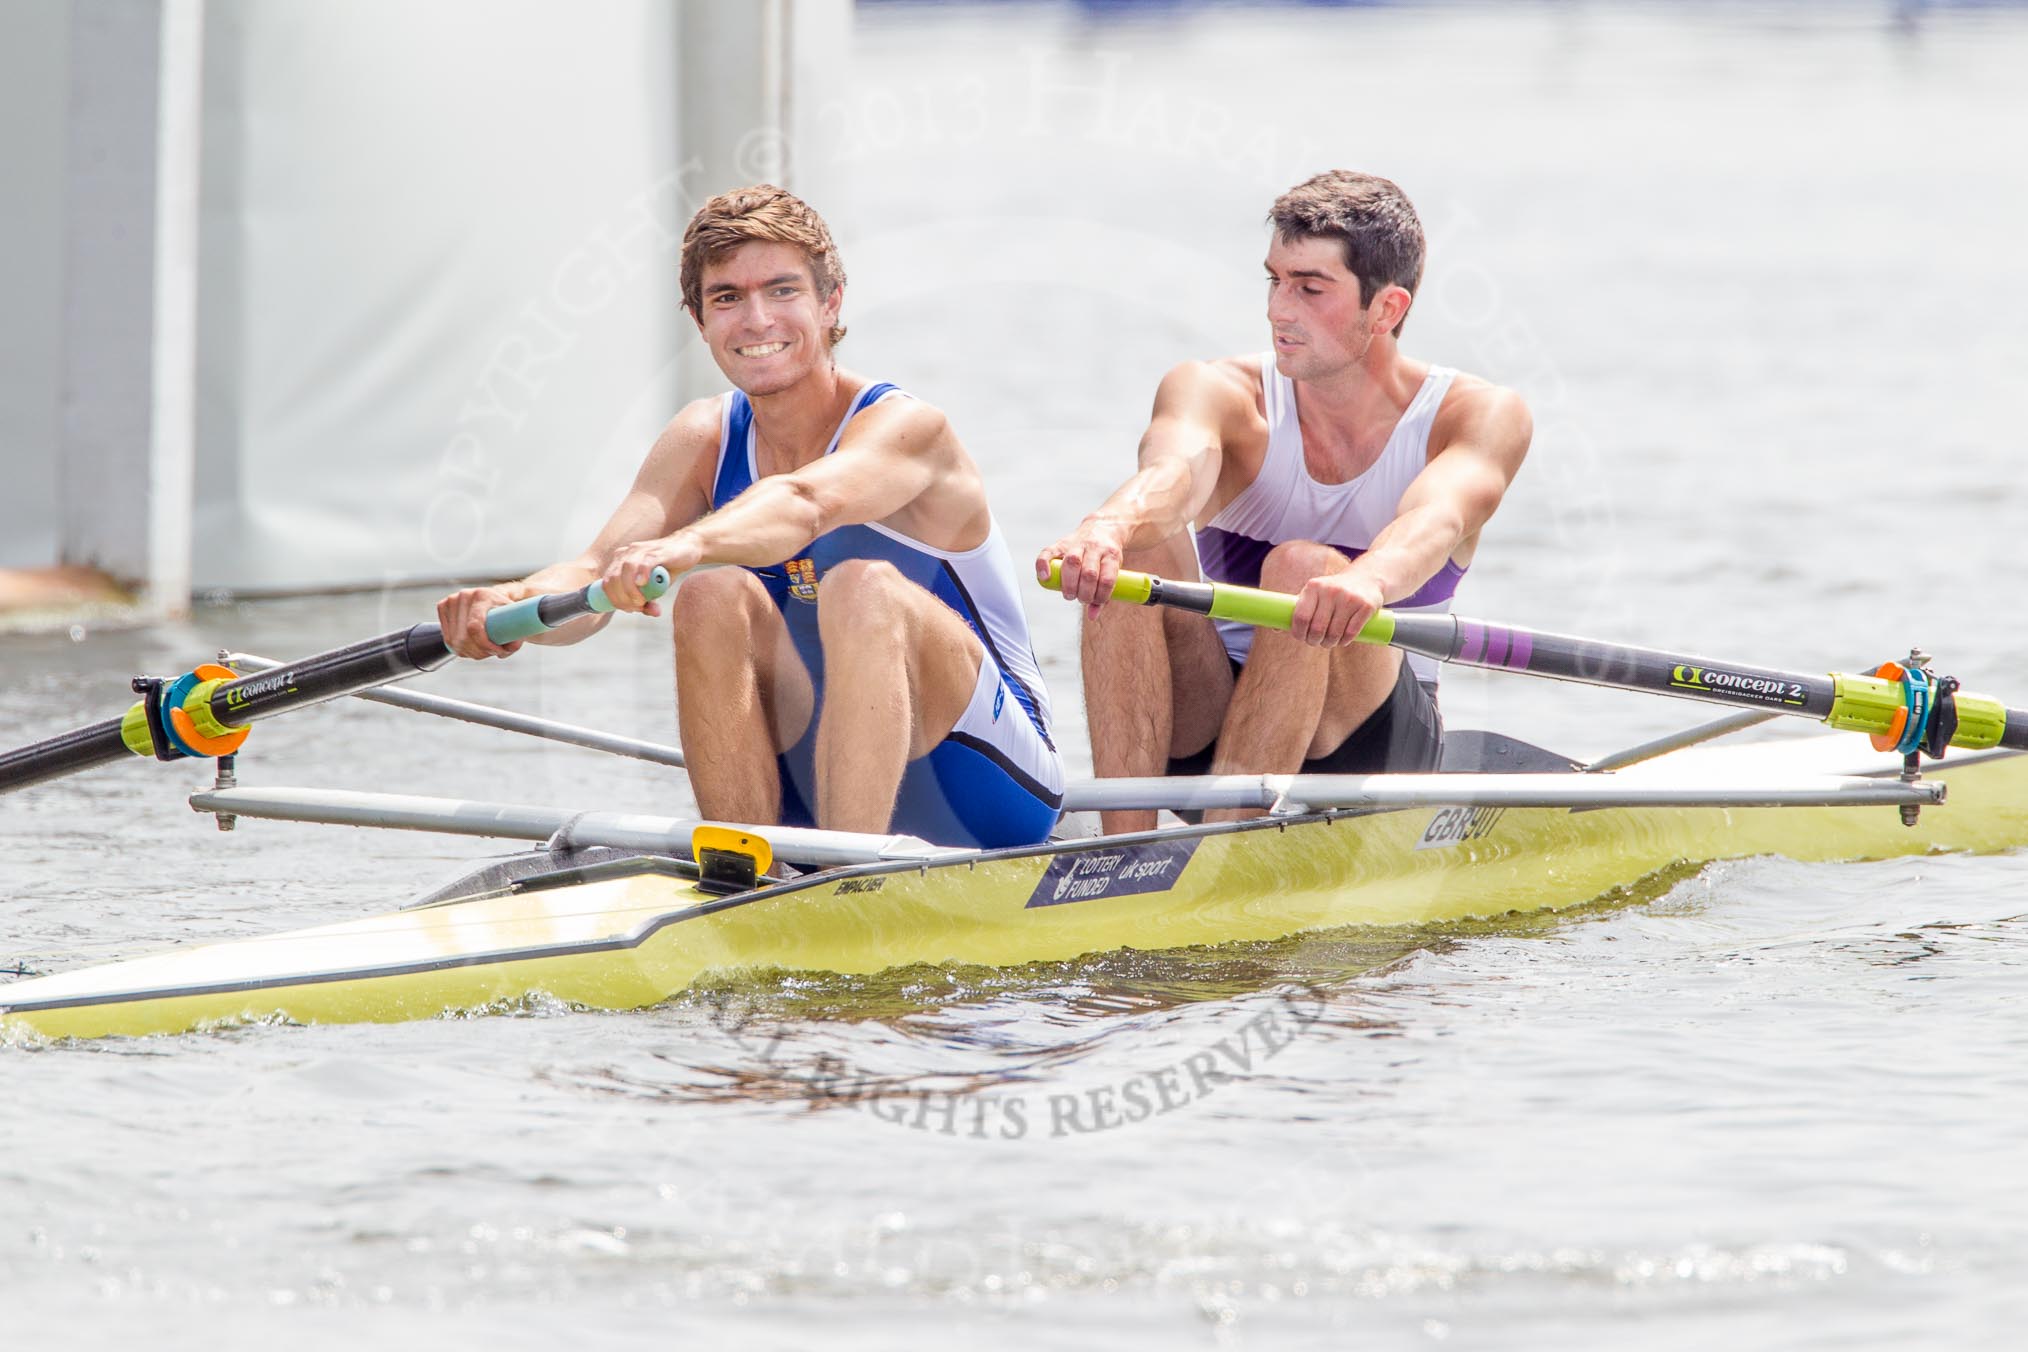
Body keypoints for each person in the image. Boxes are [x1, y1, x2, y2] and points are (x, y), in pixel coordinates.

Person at [439, 185, 1062, 849]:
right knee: (710, 595)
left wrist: (681, 546)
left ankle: (841, 885)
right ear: (700, 320)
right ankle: (749, 871)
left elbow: (804, 503)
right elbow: (592, 580)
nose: (757, 320)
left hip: (986, 784)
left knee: (862, 586)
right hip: (817, 778)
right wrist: (510, 607)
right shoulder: (702, 437)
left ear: (831, 303)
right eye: (727, 298)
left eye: (783, 290)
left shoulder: (908, 428)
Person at [1038, 170, 1531, 832]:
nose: (1278, 308)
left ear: (1385, 309)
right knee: (1134, 549)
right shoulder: (1218, 390)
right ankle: (1124, 856)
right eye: (1274, 280)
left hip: (1366, 748)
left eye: (1310, 288)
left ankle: (1223, 854)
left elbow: (1436, 518)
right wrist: (1105, 528)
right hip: (1208, 728)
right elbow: (1174, 472)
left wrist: (1367, 580)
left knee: (1304, 568)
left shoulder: (1477, 414)